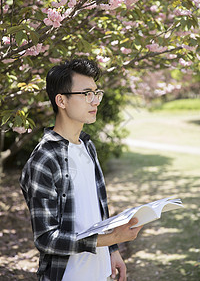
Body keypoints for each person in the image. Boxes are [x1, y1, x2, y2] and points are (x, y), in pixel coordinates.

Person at [19, 58, 143, 281]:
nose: (94, 101)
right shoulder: (44, 159)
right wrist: (110, 238)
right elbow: (46, 239)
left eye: (96, 93)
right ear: (61, 101)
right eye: (86, 93)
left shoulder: (87, 145)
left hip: (100, 272)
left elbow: (98, 209)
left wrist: (112, 250)